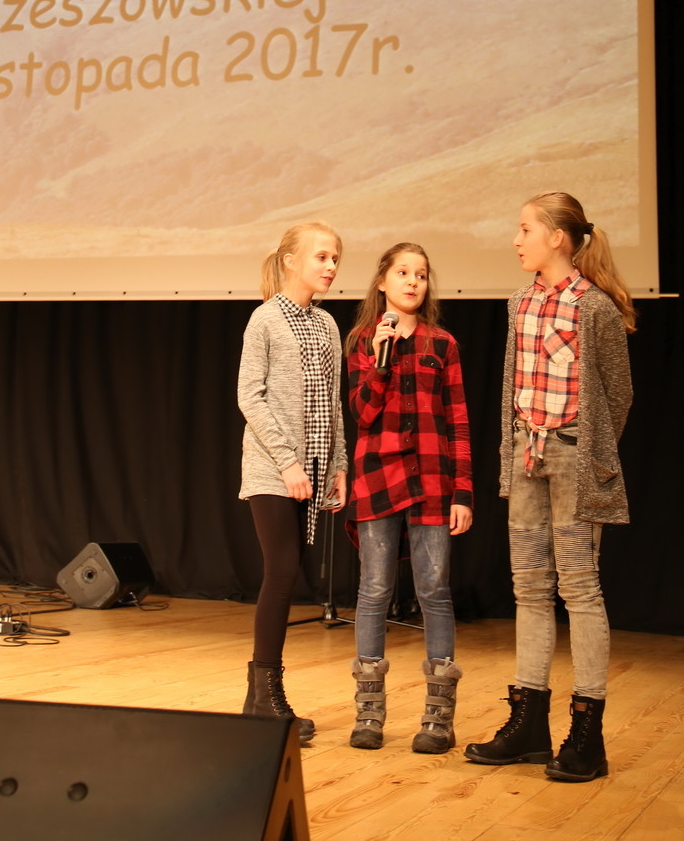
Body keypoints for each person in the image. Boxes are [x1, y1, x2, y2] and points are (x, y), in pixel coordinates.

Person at [464, 191, 635, 782]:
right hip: (526, 455)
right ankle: (528, 721)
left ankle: (587, 732)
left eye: (525, 229)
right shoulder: (521, 301)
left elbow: (618, 394)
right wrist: (516, 449)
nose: (516, 240)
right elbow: (513, 384)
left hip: (573, 457)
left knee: (580, 587)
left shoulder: (595, 307)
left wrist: (587, 449)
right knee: (530, 588)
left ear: (557, 237)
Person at [344, 242, 473, 753]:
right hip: (378, 478)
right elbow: (361, 413)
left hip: (434, 483)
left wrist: (463, 491)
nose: (412, 281)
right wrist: (381, 360)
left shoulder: (443, 344)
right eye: (402, 272)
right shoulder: (363, 340)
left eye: (420, 274)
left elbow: (458, 421)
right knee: (374, 589)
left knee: (434, 591)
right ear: (382, 282)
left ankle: (438, 718)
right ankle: (369, 712)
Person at [237, 221, 348, 744]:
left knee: (288, 573)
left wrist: (339, 465)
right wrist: (286, 462)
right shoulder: (264, 319)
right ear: (290, 260)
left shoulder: (326, 325)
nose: (330, 266)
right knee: (280, 571)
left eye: (335, 258)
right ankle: (267, 695)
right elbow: (249, 395)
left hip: (314, 471)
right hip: (272, 468)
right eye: (321, 256)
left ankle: (258, 700)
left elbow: (334, 401)